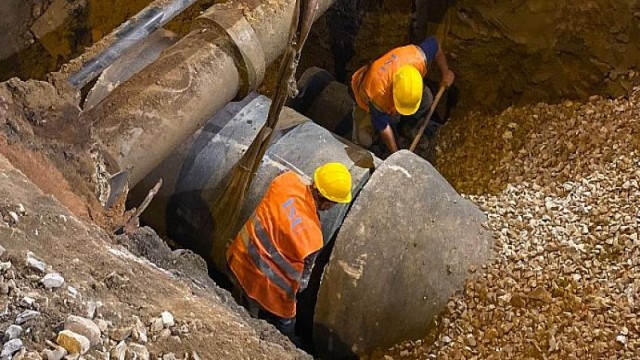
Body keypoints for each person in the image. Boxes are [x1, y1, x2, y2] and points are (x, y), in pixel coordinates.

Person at [226, 162, 353, 344]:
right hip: (265, 292)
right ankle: (288, 345)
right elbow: (302, 285)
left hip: (238, 260)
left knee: (240, 298)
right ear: (327, 203)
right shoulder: (313, 239)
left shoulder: (285, 180)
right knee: (286, 325)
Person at [350, 36, 455, 154]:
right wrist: (396, 154)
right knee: (365, 139)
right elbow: (384, 128)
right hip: (366, 99)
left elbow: (436, 43)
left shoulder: (418, 58)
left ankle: (408, 128)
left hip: (391, 86)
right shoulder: (378, 95)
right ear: (394, 94)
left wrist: (445, 73)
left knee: (427, 98)